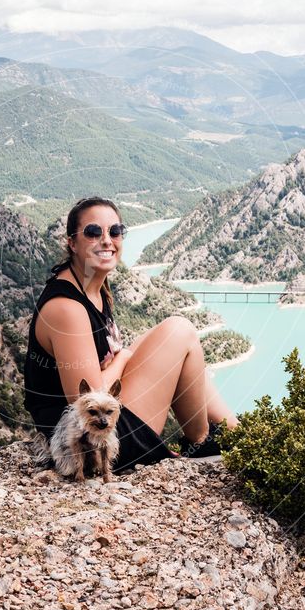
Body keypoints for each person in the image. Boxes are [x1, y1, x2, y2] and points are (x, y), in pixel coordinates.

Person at [23, 196, 239, 473]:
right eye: (92, 232)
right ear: (72, 242)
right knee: (180, 331)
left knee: (174, 343)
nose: (106, 240)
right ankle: (201, 442)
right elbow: (87, 402)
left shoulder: (92, 285)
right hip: (90, 441)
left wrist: (123, 358)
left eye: (115, 231)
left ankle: (237, 433)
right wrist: (123, 358)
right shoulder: (67, 308)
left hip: (100, 424)